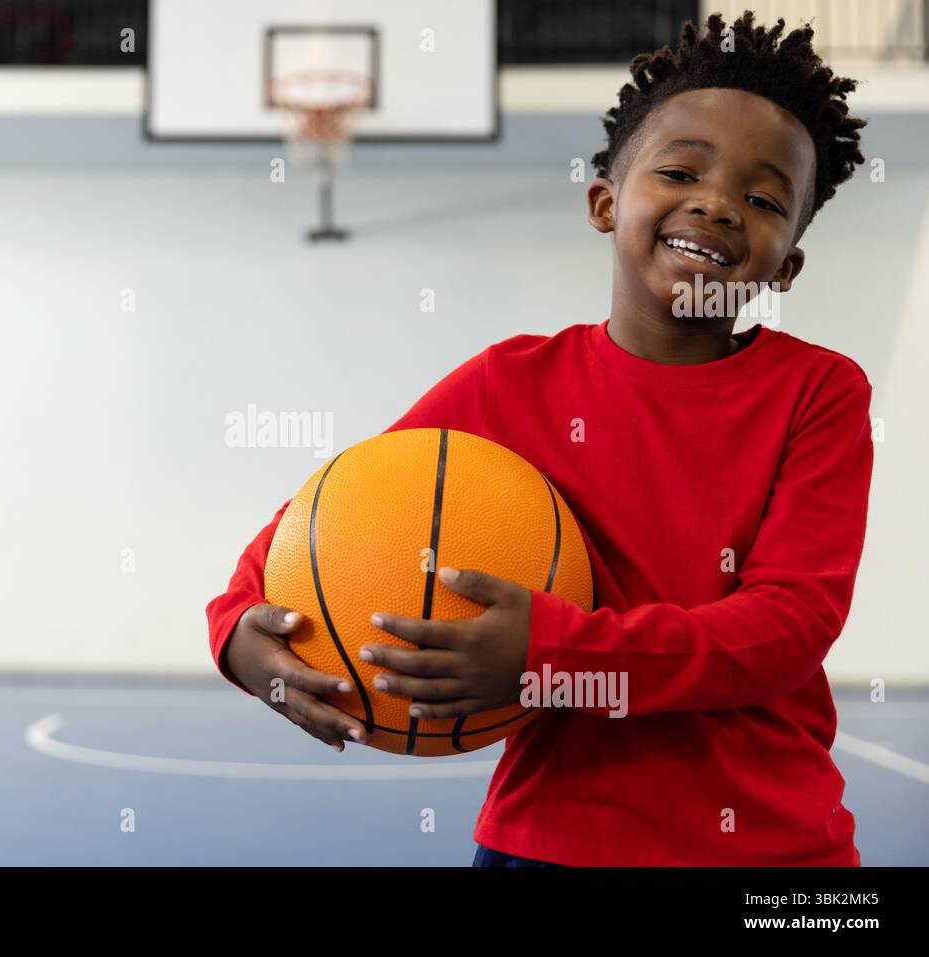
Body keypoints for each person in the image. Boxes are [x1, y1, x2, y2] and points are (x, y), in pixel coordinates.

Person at [205, 11, 871, 867]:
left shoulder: (819, 391)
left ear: (785, 266)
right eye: (680, 170)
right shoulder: (507, 384)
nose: (717, 203)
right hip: (550, 841)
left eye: (764, 198)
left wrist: (553, 654)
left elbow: (788, 625)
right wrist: (234, 631)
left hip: (771, 852)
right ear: (605, 203)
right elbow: (318, 524)